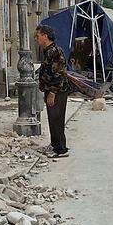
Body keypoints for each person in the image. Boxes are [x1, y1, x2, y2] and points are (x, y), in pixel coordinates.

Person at [35, 25, 71, 158]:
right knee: (53, 118)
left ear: (45, 36)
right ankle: (56, 145)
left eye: (38, 36)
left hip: (57, 91)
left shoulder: (55, 51)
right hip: (51, 89)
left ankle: (61, 149)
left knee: (56, 119)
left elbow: (59, 73)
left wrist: (53, 92)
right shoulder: (48, 51)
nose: (36, 39)